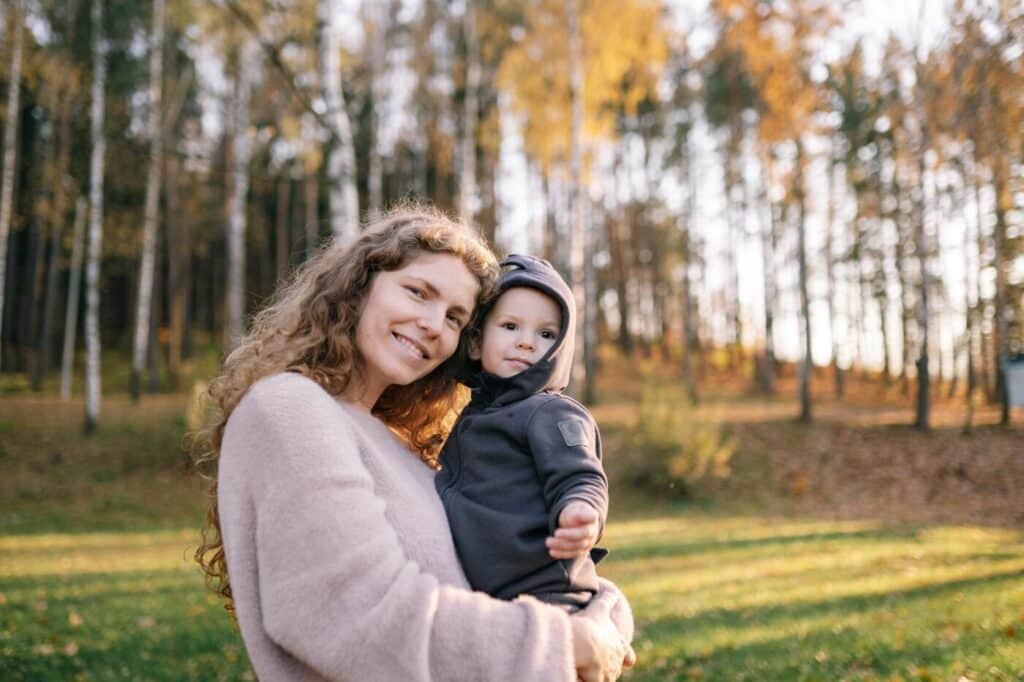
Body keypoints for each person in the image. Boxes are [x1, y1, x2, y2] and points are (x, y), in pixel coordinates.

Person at [194, 207, 634, 682]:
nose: (432, 324)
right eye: (418, 292)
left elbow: (487, 585)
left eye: (455, 317)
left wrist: (604, 610)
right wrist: (569, 642)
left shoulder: (406, 446)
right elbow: (358, 619)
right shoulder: (289, 408)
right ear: (359, 285)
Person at [436, 254, 608, 612]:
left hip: (549, 594)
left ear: (559, 352)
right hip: (488, 600)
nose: (527, 342)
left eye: (546, 334)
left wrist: (581, 511)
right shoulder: (471, 416)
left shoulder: (550, 412)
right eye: (510, 326)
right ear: (475, 343)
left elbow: (581, 475)